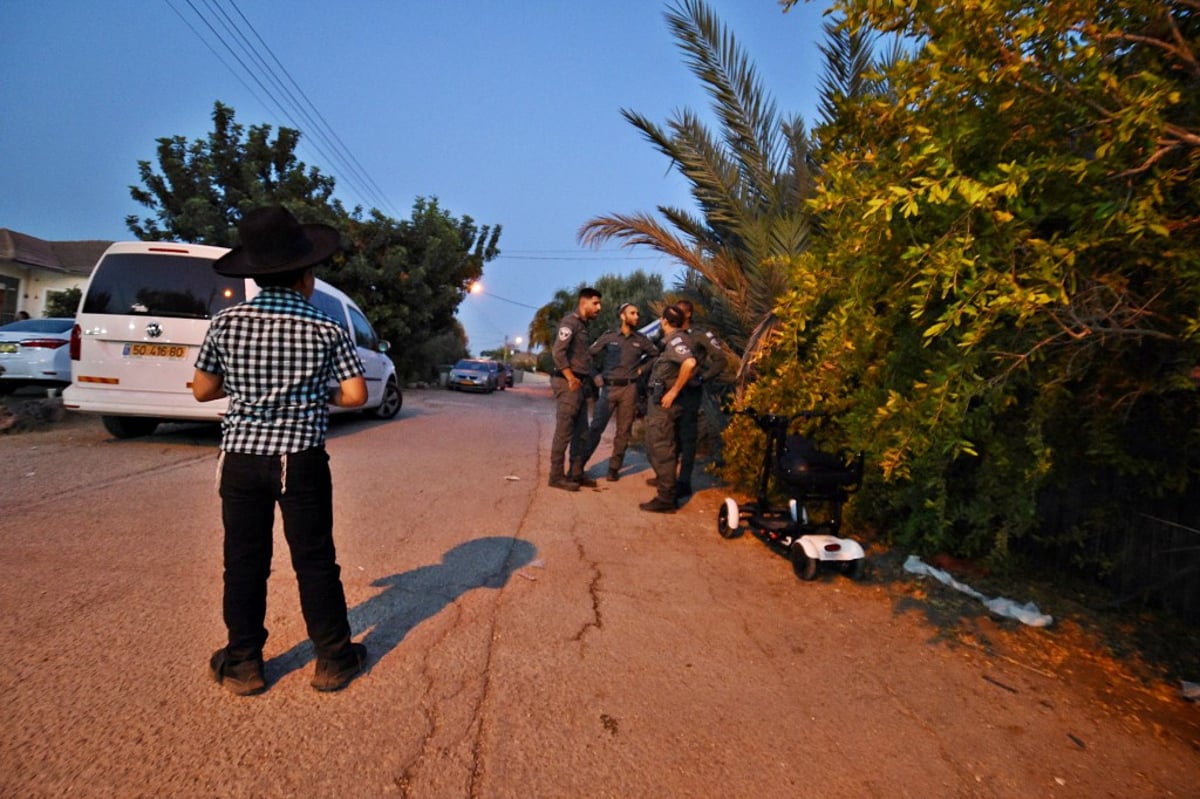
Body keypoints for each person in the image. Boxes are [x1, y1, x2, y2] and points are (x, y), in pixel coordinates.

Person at [193, 205, 369, 696]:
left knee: (244, 561)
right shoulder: (326, 327)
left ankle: (244, 662)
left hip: (243, 460)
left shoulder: (226, 324)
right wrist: (311, 394)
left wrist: (253, 391)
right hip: (302, 461)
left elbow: (202, 391)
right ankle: (333, 659)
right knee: (315, 560)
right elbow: (355, 395)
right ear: (306, 276)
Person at [579, 302, 656, 482]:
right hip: (609, 388)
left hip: (630, 389)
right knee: (596, 427)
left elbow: (655, 355)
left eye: (637, 313)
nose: (637, 316)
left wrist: (641, 370)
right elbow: (588, 355)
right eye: (633, 313)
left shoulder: (641, 339)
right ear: (623, 316)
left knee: (623, 431)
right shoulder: (609, 337)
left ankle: (614, 468)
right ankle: (580, 465)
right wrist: (595, 375)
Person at [671, 299, 734, 498]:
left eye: (680, 312)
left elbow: (721, 359)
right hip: (670, 391)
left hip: (689, 391)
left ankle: (684, 482)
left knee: (687, 437)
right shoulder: (671, 335)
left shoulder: (700, 334)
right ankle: (667, 476)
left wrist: (702, 377)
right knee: (669, 435)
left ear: (688, 314)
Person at [640, 305, 697, 513]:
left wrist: (673, 391)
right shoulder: (681, 339)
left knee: (662, 448)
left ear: (664, 321)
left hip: (665, 406)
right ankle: (667, 486)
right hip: (662, 403)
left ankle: (666, 498)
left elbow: (689, 363)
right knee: (657, 446)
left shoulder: (676, 341)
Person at [549, 286, 602, 491]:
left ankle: (576, 474)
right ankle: (556, 476)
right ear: (584, 302)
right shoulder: (569, 323)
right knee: (564, 430)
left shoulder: (583, 326)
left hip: (579, 383)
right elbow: (558, 353)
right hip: (567, 382)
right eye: (595, 303)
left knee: (581, 431)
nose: (599, 307)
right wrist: (570, 377)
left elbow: (584, 358)